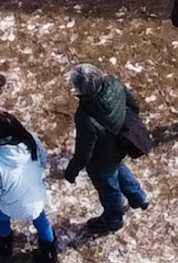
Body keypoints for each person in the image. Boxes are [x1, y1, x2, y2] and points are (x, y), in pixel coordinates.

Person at [59, 65, 151, 233]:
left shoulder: (85, 115)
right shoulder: (115, 84)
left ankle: (113, 219)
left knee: (109, 189)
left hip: (101, 158)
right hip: (121, 144)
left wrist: (72, 171)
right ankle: (139, 197)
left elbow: (84, 151)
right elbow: (134, 106)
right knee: (120, 169)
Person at [0, 112, 58, 263]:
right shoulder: (31, 140)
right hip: (37, 198)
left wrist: (2, 198)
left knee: (1, 216)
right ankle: (50, 255)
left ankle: (3, 244)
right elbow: (43, 159)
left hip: (12, 204)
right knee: (41, 220)